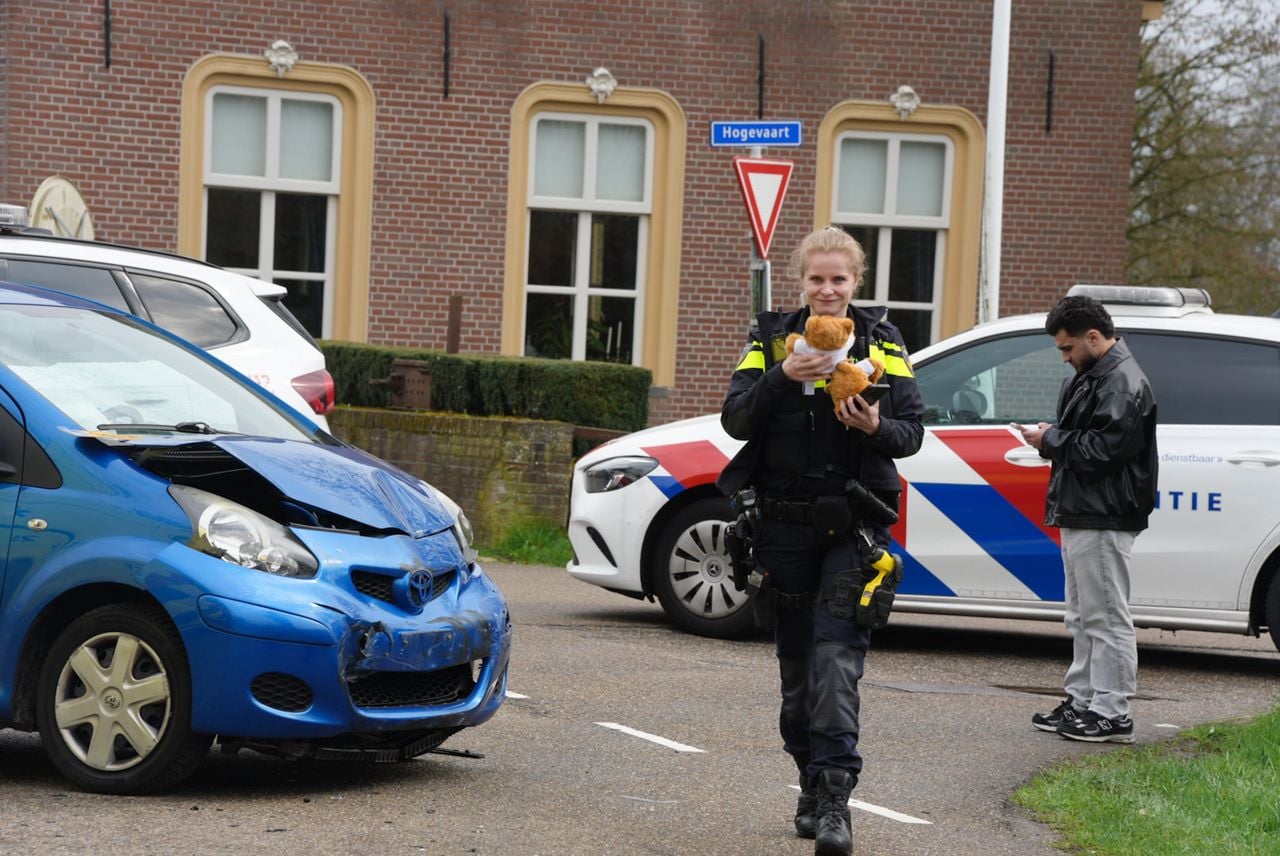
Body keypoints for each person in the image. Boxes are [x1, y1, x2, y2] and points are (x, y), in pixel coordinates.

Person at [717, 226, 924, 855]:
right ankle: (808, 779)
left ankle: (836, 799)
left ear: (855, 283)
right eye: (817, 279)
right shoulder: (771, 339)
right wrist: (782, 374)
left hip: (854, 527)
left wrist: (874, 424)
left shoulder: (884, 342)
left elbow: (912, 432)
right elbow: (735, 419)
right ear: (801, 283)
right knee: (798, 676)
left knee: (837, 661)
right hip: (782, 527)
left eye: (839, 279)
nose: (828, 290)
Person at [1017, 294, 1157, 744]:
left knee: (1103, 614)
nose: (1064, 357)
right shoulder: (1101, 374)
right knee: (1083, 614)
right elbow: (1096, 443)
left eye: (1067, 348)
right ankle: (1085, 701)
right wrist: (1053, 438)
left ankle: (1112, 709)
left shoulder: (1118, 382)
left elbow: (1101, 451)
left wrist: (1048, 439)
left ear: (1093, 337)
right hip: (1088, 507)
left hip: (1102, 511)